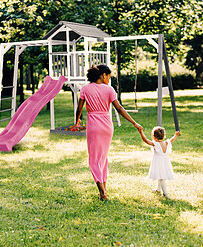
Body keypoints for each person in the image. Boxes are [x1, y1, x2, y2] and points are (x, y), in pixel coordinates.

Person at [76, 65, 142, 201]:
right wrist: (134, 122)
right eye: (109, 76)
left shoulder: (85, 89)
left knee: (94, 159)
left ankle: (102, 192)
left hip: (94, 126)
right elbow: (119, 108)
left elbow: (79, 108)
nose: (109, 79)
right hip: (107, 126)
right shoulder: (109, 90)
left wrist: (77, 121)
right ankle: (104, 190)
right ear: (103, 75)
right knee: (103, 158)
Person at [138, 126, 180, 198]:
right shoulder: (167, 143)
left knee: (161, 178)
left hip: (159, 163)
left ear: (154, 137)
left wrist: (141, 132)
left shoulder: (155, 144)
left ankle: (166, 194)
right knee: (160, 176)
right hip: (165, 162)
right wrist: (175, 135)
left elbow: (146, 140)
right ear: (163, 137)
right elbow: (172, 139)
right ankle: (158, 189)